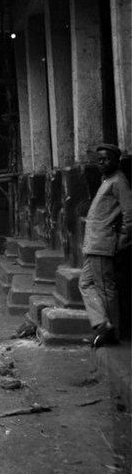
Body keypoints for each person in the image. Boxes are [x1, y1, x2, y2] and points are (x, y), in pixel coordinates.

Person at [78, 143, 132, 348]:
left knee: (106, 289)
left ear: (116, 161)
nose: (101, 163)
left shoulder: (119, 181)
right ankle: (103, 324)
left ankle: (111, 332)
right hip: (94, 243)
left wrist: (122, 241)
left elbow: (129, 214)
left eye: (106, 159)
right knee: (85, 283)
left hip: (103, 243)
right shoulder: (106, 180)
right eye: (99, 159)